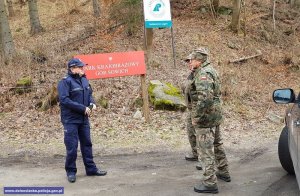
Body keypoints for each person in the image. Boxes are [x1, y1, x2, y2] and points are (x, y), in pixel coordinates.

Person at [184, 48, 230, 194]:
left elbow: (205, 99)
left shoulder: (203, 74)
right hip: (213, 116)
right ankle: (223, 171)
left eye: (192, 60)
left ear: (199, 60)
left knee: (205, 150)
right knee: (217, 144)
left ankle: (210, 182)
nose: (189, 62)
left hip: (205, 117)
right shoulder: (208, 70)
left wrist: (196, 117)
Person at [58, 58, 107, 183]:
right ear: (72, 68)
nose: (82, 69)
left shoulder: (84, 79)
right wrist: (82, 108)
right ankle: (71, 171)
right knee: (72, 147)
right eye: (80, 67)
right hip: (70, 120)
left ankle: (91, 169)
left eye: (82, 67)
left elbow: (89, 94)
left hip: (84, 119)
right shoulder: (65, 82)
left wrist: (92, 104)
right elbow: (64, 100)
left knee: (87, 144)